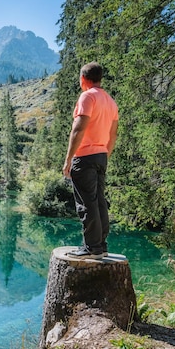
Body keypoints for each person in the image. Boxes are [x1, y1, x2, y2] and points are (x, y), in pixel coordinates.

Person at [62, 62, 119, 259]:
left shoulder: (87, 97)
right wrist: (105, 155)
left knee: (86, 203)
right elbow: (113, 135)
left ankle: (91, 248)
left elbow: (78, 128)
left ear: (83, 79)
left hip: (85, 157)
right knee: (99, 201)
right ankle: (101, 245)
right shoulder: (110, 102)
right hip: (101, 156)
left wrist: (69, 158)